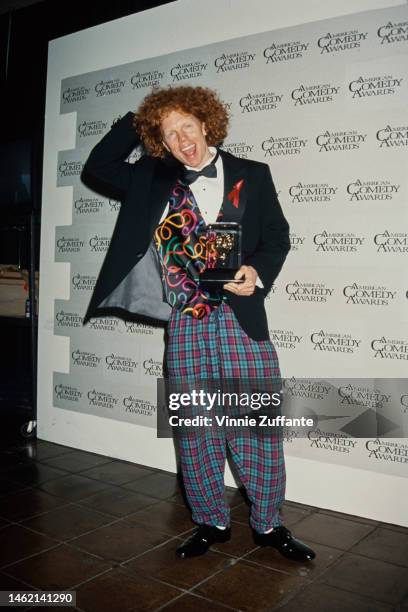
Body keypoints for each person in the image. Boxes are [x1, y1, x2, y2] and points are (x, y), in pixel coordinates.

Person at [82, 85, 315, 562]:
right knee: (196, 427)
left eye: (186, 125)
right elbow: (98, 169)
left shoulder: (254, 173)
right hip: (187, 320)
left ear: (207, 124)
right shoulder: (151, 178)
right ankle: (211, 520)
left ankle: (269, 525)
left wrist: (259, 273)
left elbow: (277, 237)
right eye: (169, 133)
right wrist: (140, 121)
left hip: (241, 317)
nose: (181, 138)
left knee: (255, 429)